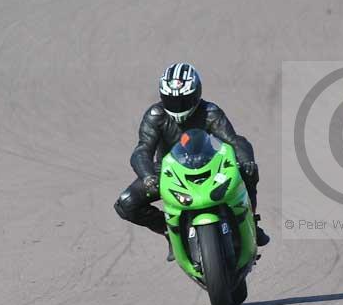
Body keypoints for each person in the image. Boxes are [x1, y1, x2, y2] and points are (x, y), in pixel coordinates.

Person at [114, 63, 270, 262]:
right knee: (127, 204)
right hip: (168, 172)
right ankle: (169, 231)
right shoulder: (155, 116)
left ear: (196, 94)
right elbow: (142, 150)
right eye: (170, 100)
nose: (177, 106)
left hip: (210, 165)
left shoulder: (210, 111)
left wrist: (247, 160)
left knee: (248, 170)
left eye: (183, 100)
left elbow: (234, 140)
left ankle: (251, 222)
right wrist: (147, 177)